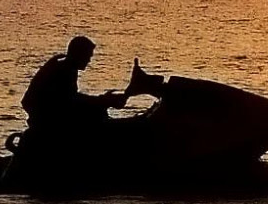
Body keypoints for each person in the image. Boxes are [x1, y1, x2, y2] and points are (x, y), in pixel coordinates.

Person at [21, 36, 164, 132]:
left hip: (50, 114)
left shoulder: (64, 66)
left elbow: (70, 98)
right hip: (48, 120)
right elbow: (68, 101)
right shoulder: (64, 70)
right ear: (78, 54)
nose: (89, 60)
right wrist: (102, 101)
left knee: (98, 110)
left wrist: (101, 100)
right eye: (87, 56)